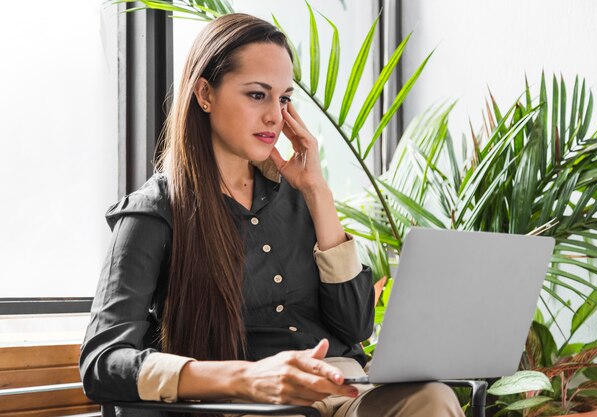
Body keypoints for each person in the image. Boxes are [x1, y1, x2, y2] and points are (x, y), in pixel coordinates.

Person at [79, 12, 465, 417]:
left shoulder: (299, 195)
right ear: (204, 94)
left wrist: (318, 192)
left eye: (283, 98)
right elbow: (102, 361)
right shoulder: (155, 211)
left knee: (434, 398)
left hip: (345, 392)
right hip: (248, 404)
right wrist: (246, 378)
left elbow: (355, 327)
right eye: (257, 95)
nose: (275, 117)